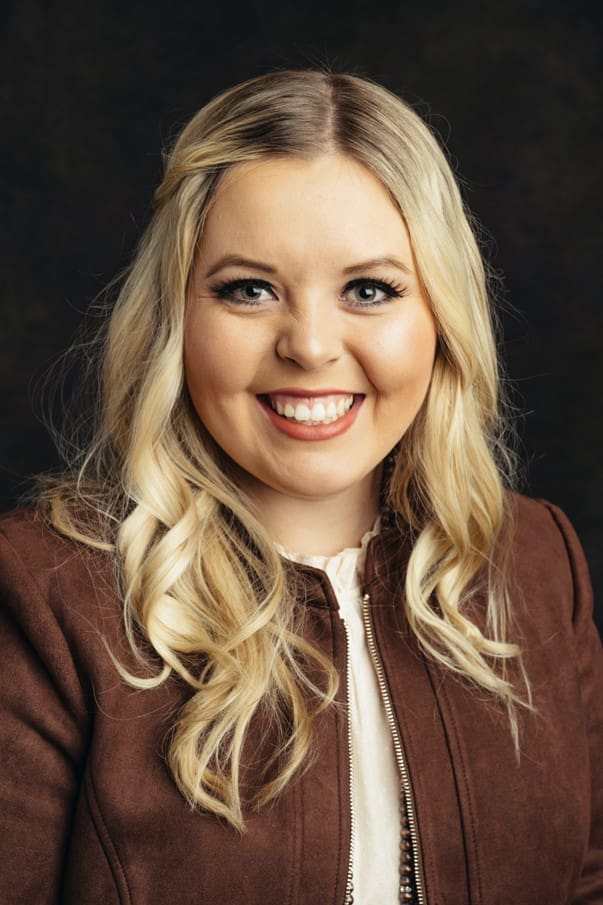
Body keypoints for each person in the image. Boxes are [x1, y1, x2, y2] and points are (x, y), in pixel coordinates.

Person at [0, 69, 601, 905]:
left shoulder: (537, 559)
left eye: (369, 290)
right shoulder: (42, 594)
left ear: (440, 317)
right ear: (175, 318)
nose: (311, 346)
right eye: (249, 290)